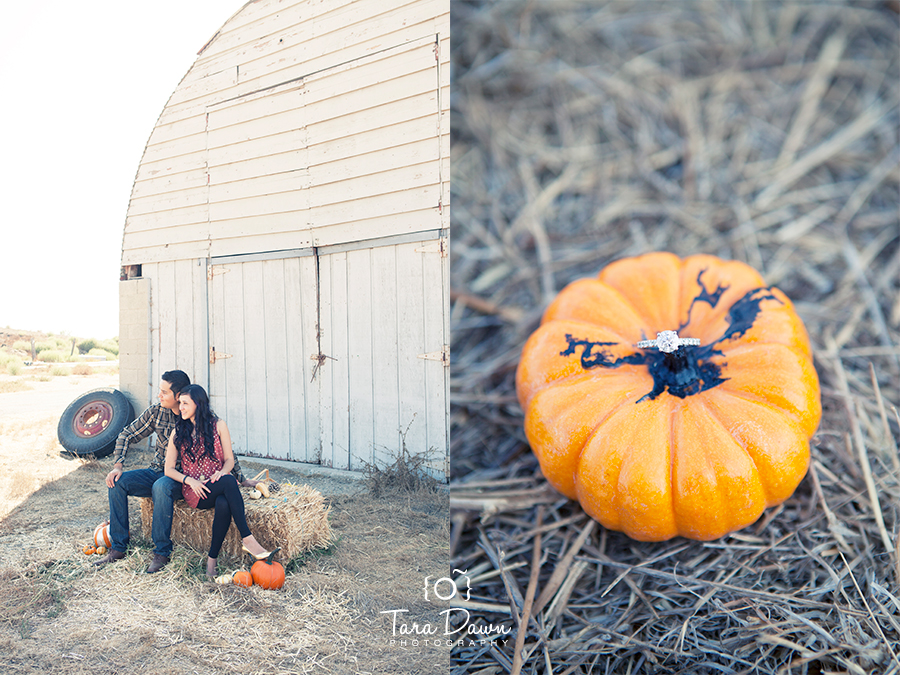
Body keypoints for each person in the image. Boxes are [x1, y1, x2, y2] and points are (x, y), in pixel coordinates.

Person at [93, 370, 253, 574]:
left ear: (179, 396)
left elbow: (222, 452)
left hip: (182, 478)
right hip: (157, 470)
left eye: (164, 392)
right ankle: (118, 547)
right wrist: (117, 466)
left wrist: (241, 478)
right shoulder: (156, 412)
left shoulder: (200, 419)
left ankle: (162, 552)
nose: (159, 396)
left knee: (162, 486)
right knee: (118, 482)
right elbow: (127, 434)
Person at [165, 384, 278, 579]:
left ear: (198, 405)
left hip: (218, 483)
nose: (180, 407)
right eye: (180, 403)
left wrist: (222, 473)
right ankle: (248, 539)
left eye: (185, 403)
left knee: (224, 502)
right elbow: (168, 470)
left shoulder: (218, 425)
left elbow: (229, 460)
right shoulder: (178, 432)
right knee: (228, 483)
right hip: (197, 491)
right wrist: (189, 481)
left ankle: (211, 562)